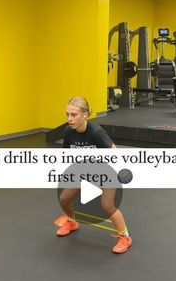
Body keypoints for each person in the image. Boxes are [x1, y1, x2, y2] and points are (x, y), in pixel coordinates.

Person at [54, 96, 132, 254]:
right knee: (64, 199)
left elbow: (114, 153)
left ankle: (125, 236)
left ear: (85, 114)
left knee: (107, 206)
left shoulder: (96, 132)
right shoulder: (69, 131)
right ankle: (72, 222)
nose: (69, 119)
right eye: (67, 114)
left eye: (73, 115)